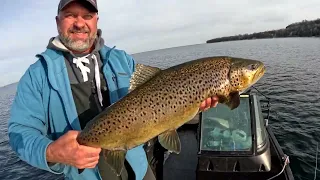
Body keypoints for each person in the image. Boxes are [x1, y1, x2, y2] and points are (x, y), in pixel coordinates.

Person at [7, 0, 219, 179]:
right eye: (71, 15)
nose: (80, 23)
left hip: (140, 170)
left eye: (87, 15)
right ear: (57, 21)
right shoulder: (36, 77)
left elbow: (161, 94)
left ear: (96, 20)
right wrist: (50, 152)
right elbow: (20, 133)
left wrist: (192, 102)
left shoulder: (121, 60)